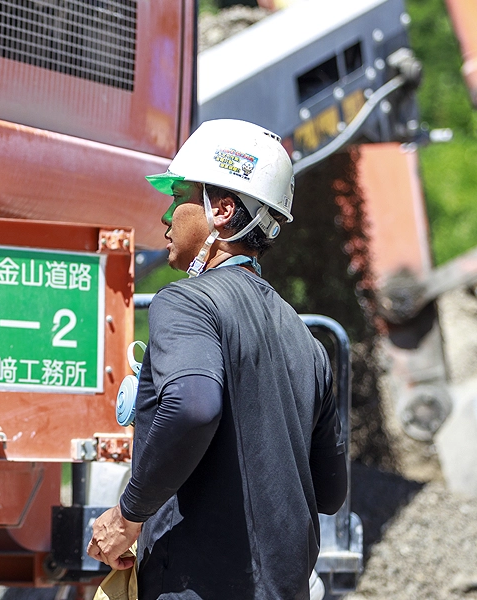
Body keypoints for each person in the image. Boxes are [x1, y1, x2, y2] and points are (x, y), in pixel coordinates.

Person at [86, 119, 347, 600]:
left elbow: (193, 407)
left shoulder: (188, 303)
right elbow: (330, 493)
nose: (166, 217)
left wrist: (129, 516)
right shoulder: (308, 343)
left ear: (222, 209)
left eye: (178, 196)